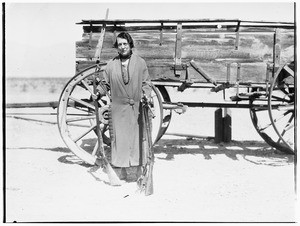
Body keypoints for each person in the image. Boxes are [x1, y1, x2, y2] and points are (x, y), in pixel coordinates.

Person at [98, 32, 152, 182]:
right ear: (117, 47)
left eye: (125, 44)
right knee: (119, 140)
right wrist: (98, 93)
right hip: (118, 108)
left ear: (130, 44)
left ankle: (138, 173)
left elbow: (147, 83)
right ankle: (120, 172)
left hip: (135, 108)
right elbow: (105, 84)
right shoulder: (111, 65)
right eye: (119, 44)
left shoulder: (140, 63)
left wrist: (146, 94)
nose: (122, 47)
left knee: (137, 140)